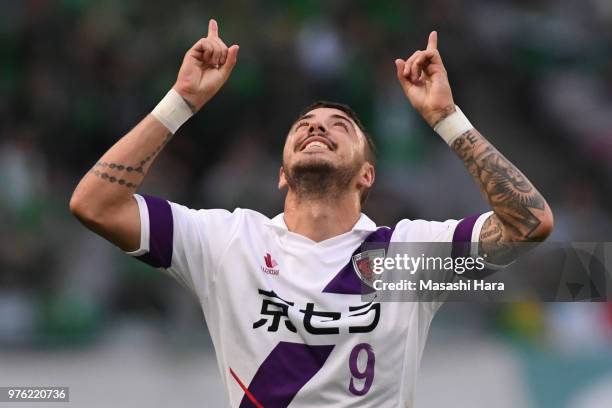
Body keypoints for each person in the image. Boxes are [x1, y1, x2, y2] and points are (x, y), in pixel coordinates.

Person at [70, 19, 553, 407]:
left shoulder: (409, 255)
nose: (316, 128)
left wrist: (448, 120)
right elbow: (94, 204)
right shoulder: (226, 240)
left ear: (367, 175)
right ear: (282, 173)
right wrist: (181, 102)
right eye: (304, 125)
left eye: (338, 125)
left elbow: (529, 224)